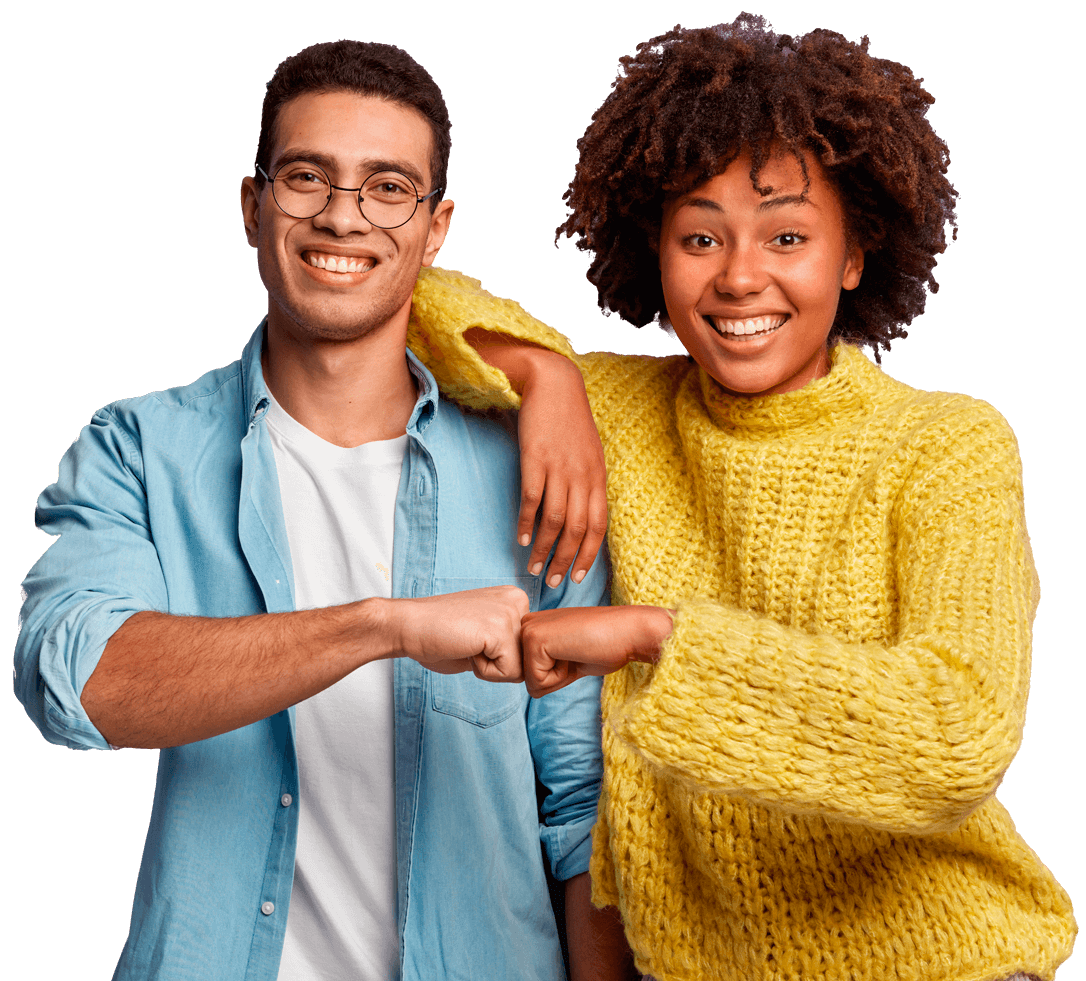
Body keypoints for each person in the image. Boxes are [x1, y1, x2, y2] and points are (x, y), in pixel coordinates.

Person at [402, 15, 1078, 981]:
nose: (740, 275)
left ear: (853, 256)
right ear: (657, 255)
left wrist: (657, 640)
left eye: (788, 235)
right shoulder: (622, 408)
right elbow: (416, 298)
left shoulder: (947, 444)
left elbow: (954, 736)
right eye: (701, 236)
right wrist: (549, 374)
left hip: (945, 963)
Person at [13, 40, 631, 981]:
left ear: (436, 230)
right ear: (254, 206)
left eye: (389, 188)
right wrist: (384, 625)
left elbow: (587, 806)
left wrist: (547, 370)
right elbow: (76, 684)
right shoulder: (140, 448)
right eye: (309, 177)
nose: (344, 216)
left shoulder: (538, 473)